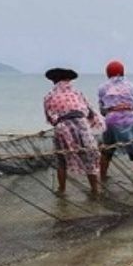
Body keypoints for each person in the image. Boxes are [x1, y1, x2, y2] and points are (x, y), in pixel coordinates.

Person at [43, 67, 101, 195]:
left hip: (62, 127)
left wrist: (61, 120)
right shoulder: (77, 93)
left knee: (61, 159)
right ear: (69, 80)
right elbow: (90, 112)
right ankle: (95, 189)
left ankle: (62, 190)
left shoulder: (49, 96)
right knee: (89, 156)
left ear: (54, 81)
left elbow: (50, 118)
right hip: (82, 125)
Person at [97, 60, 133, 183]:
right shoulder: (131, 86)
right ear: (122, 72)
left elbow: (102, 110)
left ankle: (102, 179)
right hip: (130, 120)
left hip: (111, 120)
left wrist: (112, 112)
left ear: (108, 73)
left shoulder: (103, 87)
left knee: (106, 151)